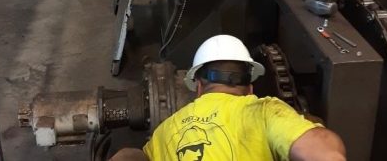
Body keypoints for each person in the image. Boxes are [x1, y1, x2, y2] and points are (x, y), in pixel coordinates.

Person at [111, 35, 346, 161]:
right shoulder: (265, 111)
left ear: (199, 87)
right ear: (250, 89)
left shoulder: (164, 132)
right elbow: (321, 151)